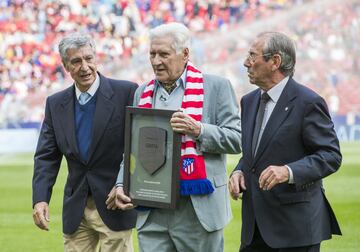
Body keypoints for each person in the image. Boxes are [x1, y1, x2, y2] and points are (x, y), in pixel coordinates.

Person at [108, 22, 242, 252]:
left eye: (164, 54)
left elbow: (237, 139)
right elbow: (133, 150)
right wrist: (121, 183)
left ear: (185, 54)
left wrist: (199, 129)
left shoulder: (216, 87)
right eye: (152, 54)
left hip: (197, 210)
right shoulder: (142, 92)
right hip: (152, 209)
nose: (156, 61)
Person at [229, 31, 342, 252]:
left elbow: (331, 155)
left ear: (275, 61)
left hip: (295, 229)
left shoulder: (308, 102)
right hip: (254, 228)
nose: (246, 63)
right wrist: (239, 171)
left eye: (253, 56)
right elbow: (254, 154)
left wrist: (288, 171)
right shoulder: (249, 101)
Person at [32, 33, 138, 252]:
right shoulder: (55, 104)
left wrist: (125, 184)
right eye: (76, 61)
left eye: (89, 58)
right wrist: (40, 198)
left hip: (114, 202)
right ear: (65, 66)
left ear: (96, 58)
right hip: (76, 207)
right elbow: (46, 157)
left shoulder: (126, 92)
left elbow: (137, 147)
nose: (85, 67)